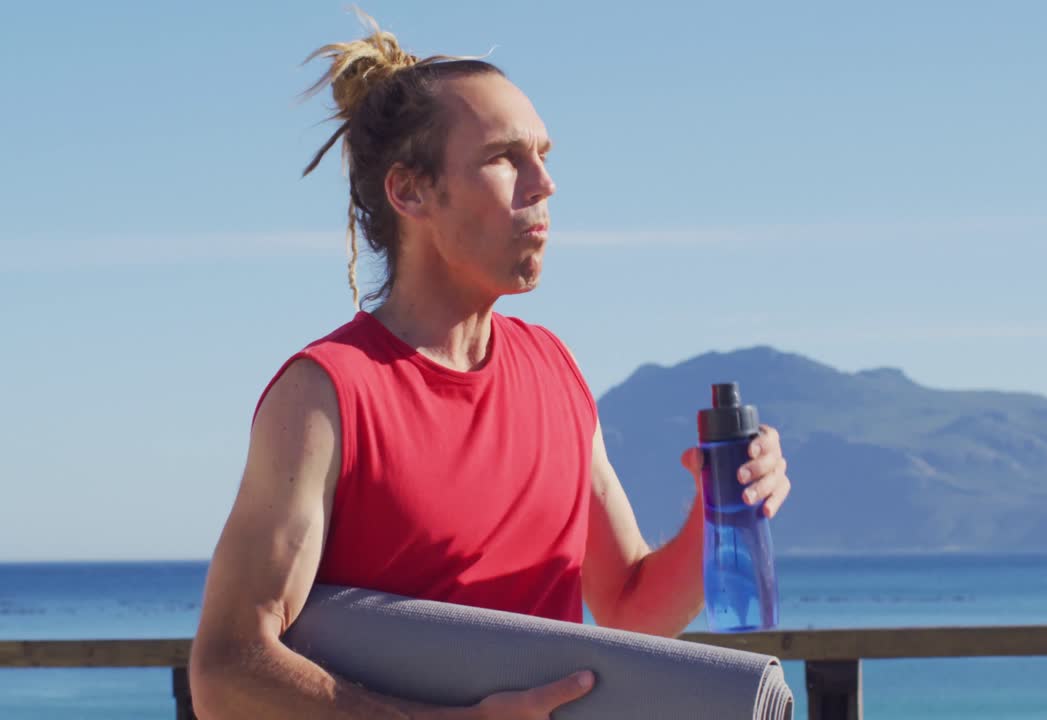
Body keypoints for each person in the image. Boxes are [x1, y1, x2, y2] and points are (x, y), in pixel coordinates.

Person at [189, 11, 792, 719]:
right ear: (410, 191)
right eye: (507, 158)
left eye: (544, 154)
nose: (545, 184)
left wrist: (719, 513)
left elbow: (631, 610)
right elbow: (227, 670)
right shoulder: (325, 395)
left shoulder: (554, 370)